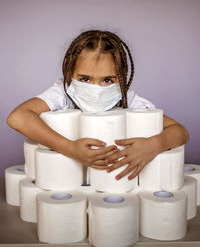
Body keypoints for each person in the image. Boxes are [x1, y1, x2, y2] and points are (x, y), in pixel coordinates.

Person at [7, 29, 189, 181]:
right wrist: (69, 148)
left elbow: (180, 131)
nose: (96, 89)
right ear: (70, 74)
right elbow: (18, 117)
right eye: (85, 79)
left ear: (122, 78)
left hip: (115, 184)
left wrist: (154, 144)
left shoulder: (128, 100)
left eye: (108, 80)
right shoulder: (63, 94)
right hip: (68, 181)